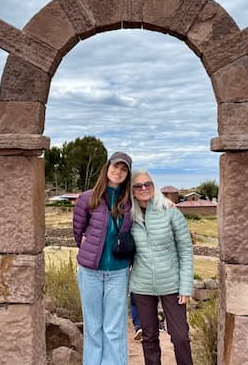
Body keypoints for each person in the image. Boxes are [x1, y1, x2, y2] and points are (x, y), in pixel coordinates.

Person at [73, 151, 134, 365]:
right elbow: (77, 231)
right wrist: (90, 253)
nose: (118, 171)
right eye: (115, 166)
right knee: (93, 328)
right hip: (90, 273)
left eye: (124, 169)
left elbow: (152, 206)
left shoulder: (130, 203)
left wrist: (170, 205)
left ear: (128, 174)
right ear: (107, 168)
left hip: (118, 272)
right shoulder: (87, 198)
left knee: (114, 329)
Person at [129, 170, 194, 365]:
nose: (143, 188)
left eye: (148, 184)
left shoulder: (170, 211)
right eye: (138, 185)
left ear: (153, 186)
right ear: (132, 191)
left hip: (172, 285)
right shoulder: (128, 216)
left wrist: (186, 286)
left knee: (180, 337)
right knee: (149, 338)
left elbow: (185, 250)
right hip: (142, 286)